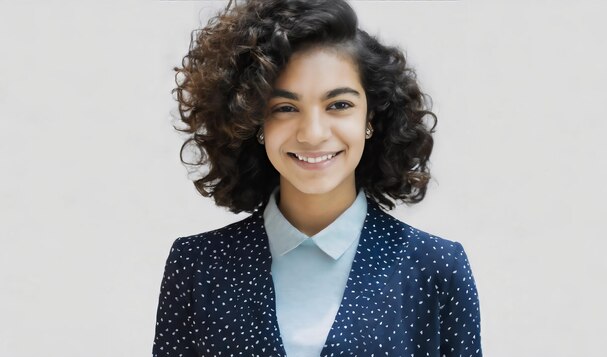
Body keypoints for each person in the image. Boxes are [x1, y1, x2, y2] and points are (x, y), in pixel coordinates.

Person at [152, 0, 482, 356]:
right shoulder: (198, 266)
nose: (312, 133)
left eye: (339, 105)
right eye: (285, 108)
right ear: (253, 122)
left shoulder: (435, 268)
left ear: (370, 117)